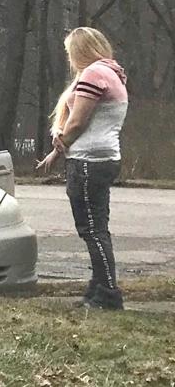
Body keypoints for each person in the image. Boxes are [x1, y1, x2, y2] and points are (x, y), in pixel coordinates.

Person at [37, 27, 127, 310]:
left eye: (70, 52)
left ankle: (109, 293)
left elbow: (77, 123)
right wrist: (57, 152)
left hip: (88, 160)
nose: (68, 58)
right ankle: (98, 287)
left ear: (80, 51)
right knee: (98, 228)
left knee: (91, 229)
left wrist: (60, 143)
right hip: (104, 157)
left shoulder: (92, 75)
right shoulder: (112, 73)